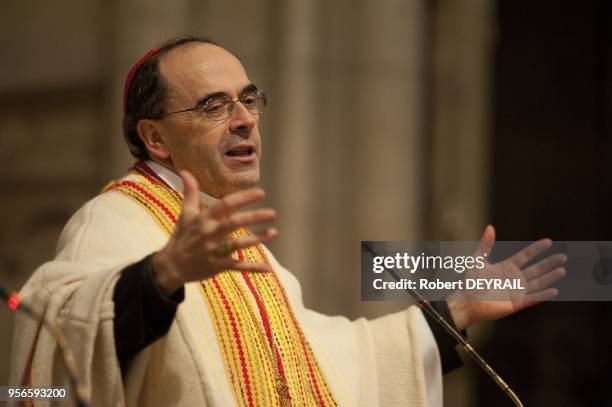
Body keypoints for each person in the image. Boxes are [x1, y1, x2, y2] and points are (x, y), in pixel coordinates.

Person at [10, 36, 566, 406]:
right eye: (213, 105)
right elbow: (59, 331)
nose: (246, 120)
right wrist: (156, 280)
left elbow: (325, 364)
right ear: (155, 137)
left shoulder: (229, 237)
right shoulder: (114, 219)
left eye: (249, 100)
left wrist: (455, 311)